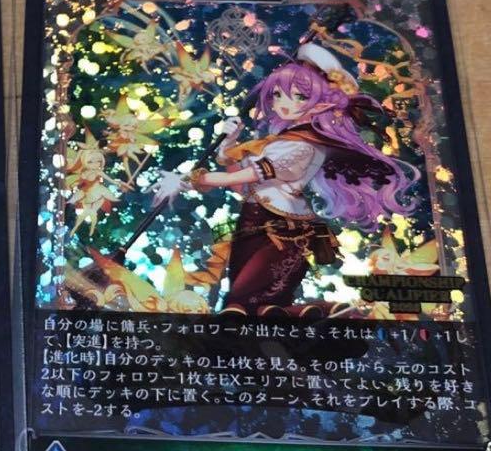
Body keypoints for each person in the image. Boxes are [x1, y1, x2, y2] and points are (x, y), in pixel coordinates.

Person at [154, 43, 417, 316]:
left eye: (299, 96)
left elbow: (249, 174)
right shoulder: (283, 140)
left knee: (241, 303)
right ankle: (321, 314)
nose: (283, 103)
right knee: (251, 306)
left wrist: (193, 179)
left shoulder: (303, 145)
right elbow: (240, 180)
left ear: (323, 102)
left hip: (282, 230)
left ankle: (332, 314)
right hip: (254, 220)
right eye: (278, 94)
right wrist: (228, 144)